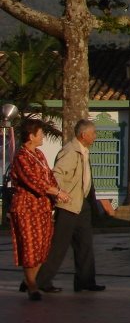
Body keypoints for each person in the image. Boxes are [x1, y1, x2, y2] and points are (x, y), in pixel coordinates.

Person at [36, 118, 107, 293]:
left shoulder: (83, 151)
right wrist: (61, 193)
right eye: (93, 133)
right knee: (59, 245)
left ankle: (85, 280)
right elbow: (57, 174)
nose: (95, 137)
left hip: (81, 205)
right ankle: (38, 281)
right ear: (84, 135)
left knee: (85, 244)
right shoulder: (70, 151)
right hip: (68, 205)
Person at [8, 117, 70, 300]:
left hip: (42, 208)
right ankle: (32, 286)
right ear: (31, 136)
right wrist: (57, 192)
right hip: (27, 208)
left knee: (42, 248)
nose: (43, 136)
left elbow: (49, 177)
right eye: (40, 133)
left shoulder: (40, 155)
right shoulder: (21, 157)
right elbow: (33, 182)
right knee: (30, 247)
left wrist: (59, 191)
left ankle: (29, 280)